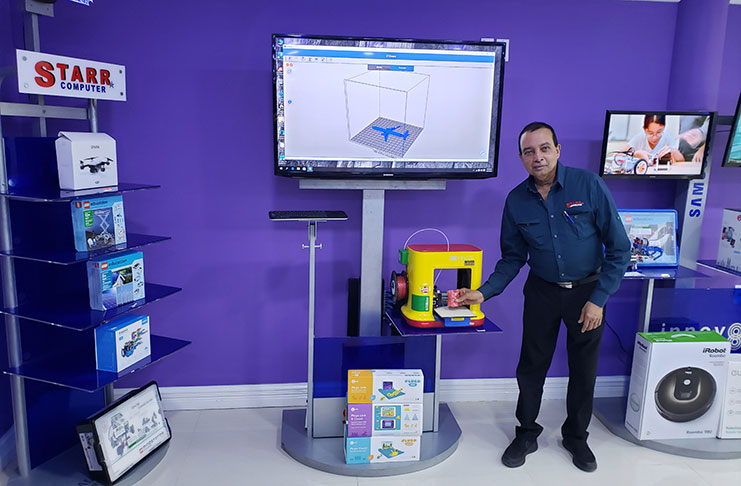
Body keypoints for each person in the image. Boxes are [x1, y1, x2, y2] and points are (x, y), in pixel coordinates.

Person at [456, 122, 631, 472]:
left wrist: (598, 299)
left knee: (584, 370)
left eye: (544, 148)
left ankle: (576, 438)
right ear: (521, 158)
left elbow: (620, 249)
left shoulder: (589, 185)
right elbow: (512, 258)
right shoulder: (517, 201)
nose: (538, 157)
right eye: (529, 151)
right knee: (531, 366)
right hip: (542, 293)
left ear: (558, 150)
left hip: (587, 294)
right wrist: (482, 293)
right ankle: (526, 433)